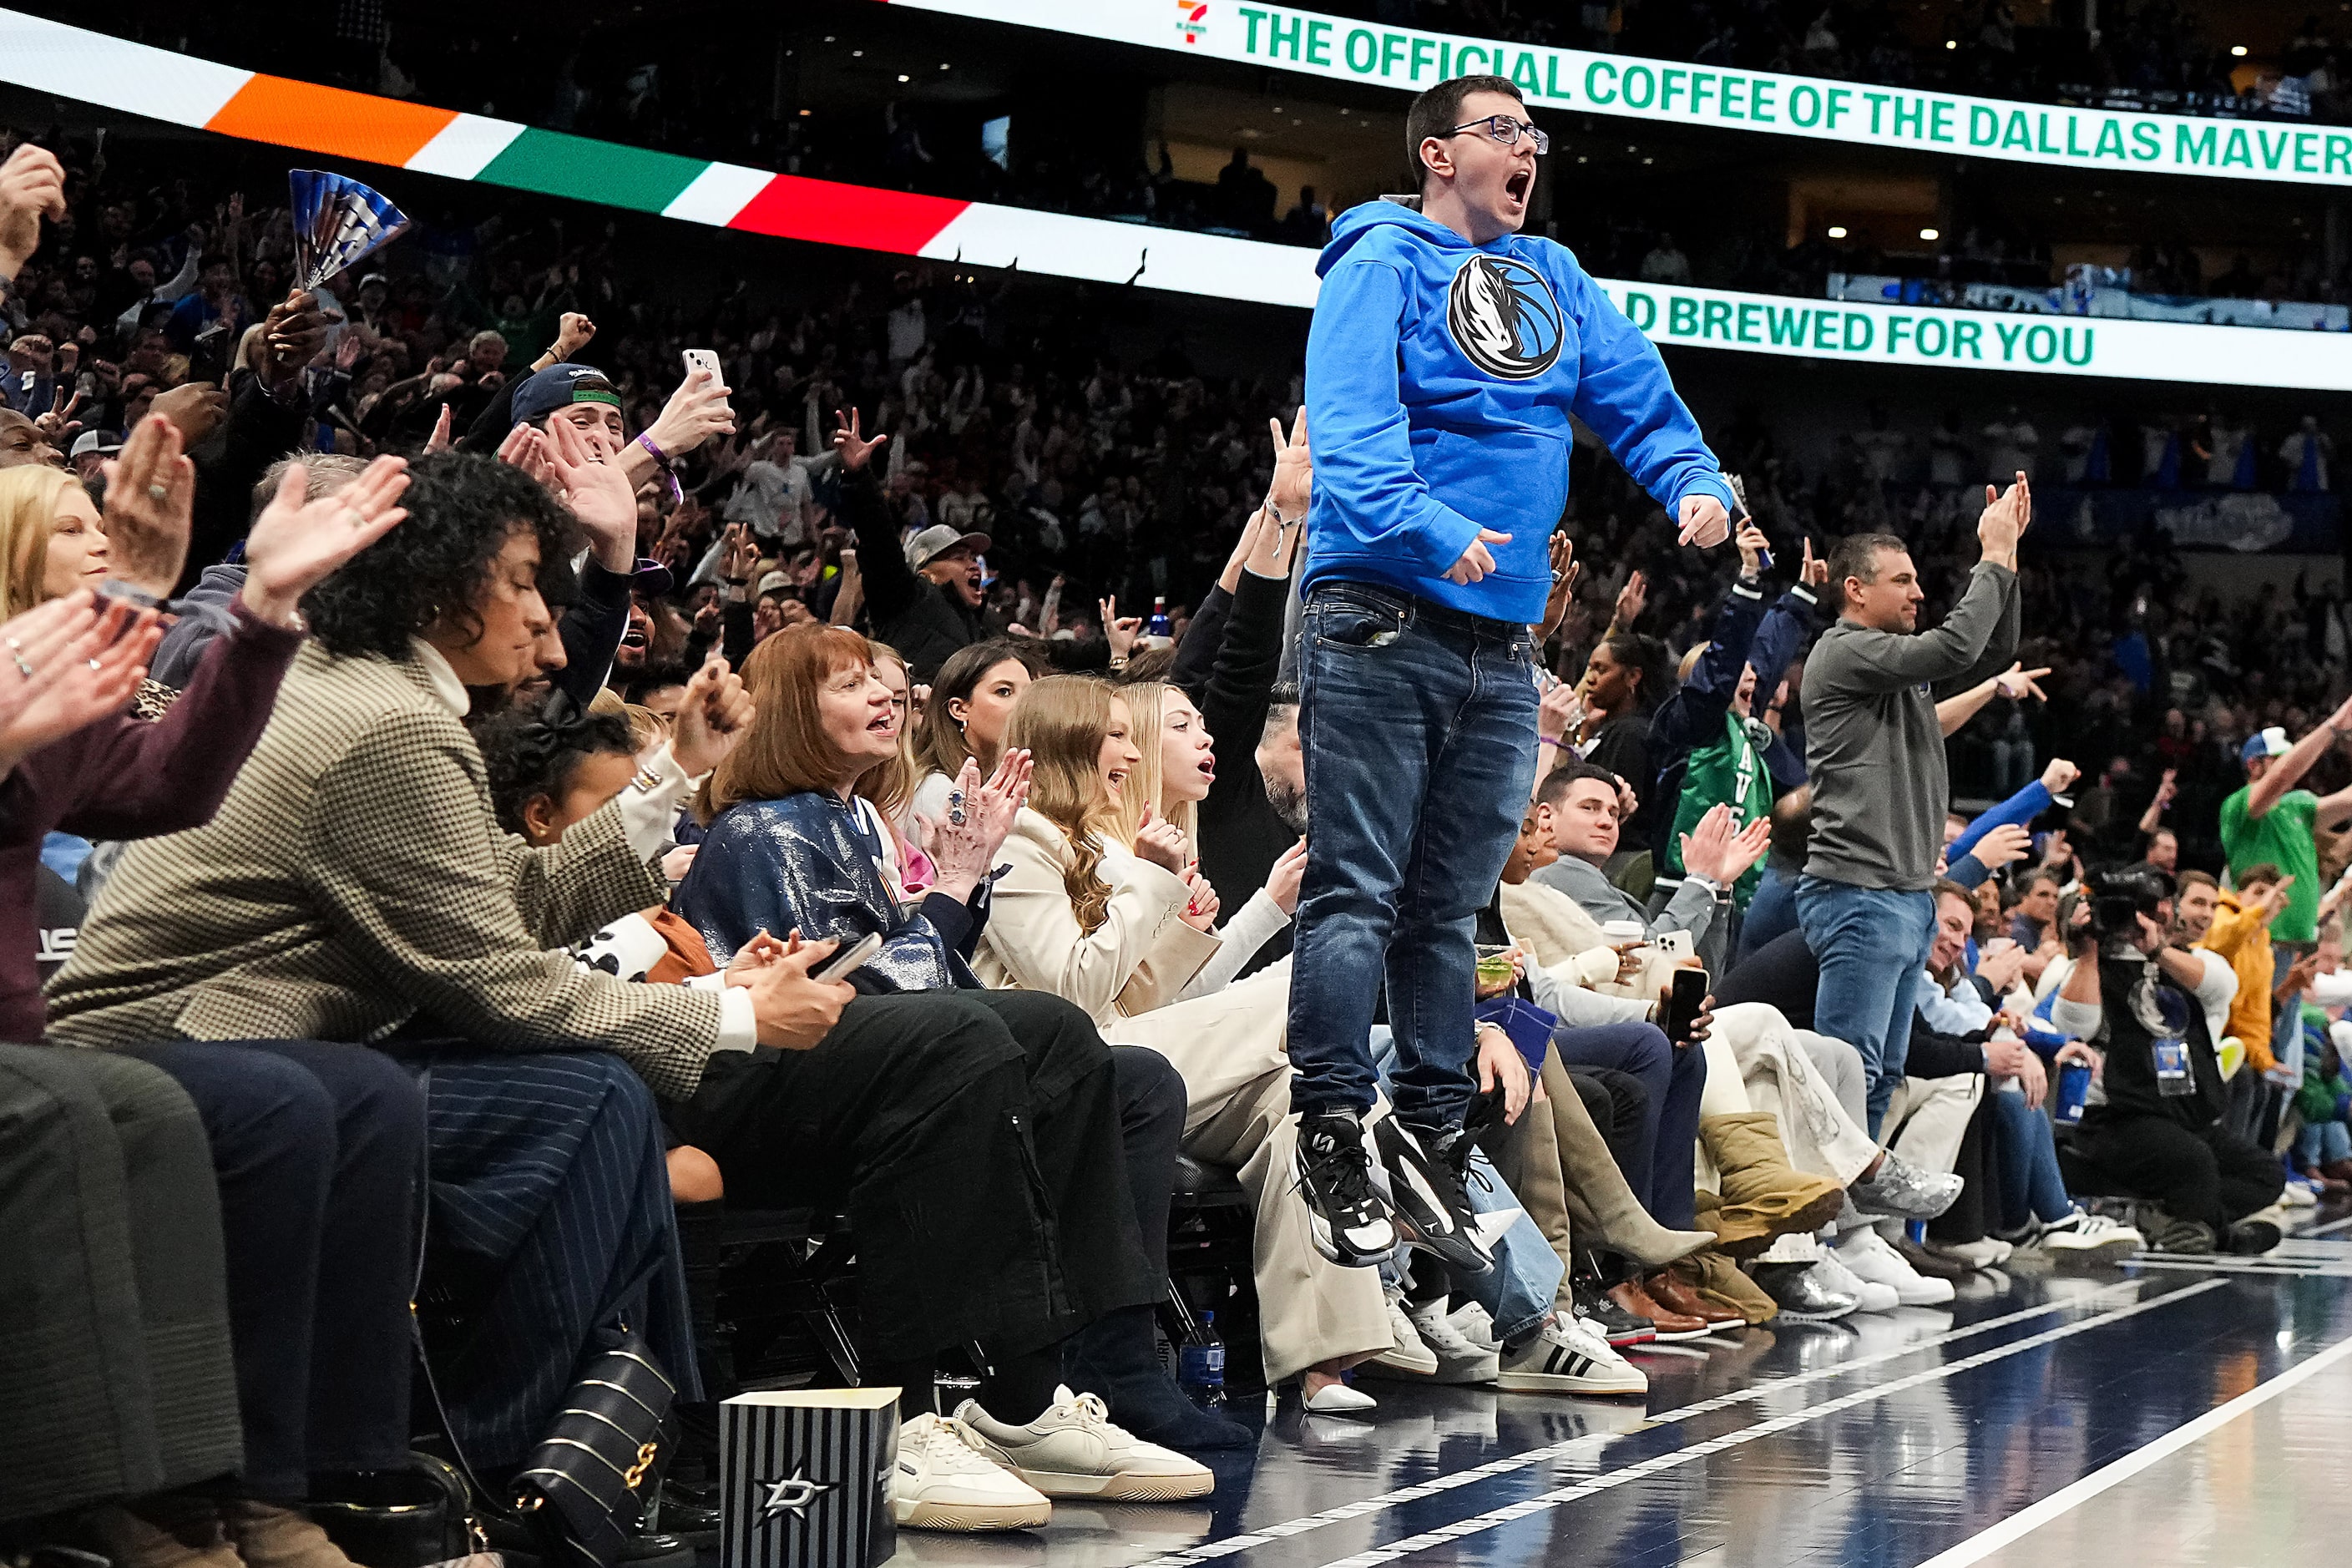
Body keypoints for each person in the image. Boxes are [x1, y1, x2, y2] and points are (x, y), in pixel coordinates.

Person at [43, 448, 825, 1495]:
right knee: (589, 1102)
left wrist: (672, 773)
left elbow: (507, 895)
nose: (540, 614)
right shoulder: (388, 726)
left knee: (596, 1096)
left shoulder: (369, 690)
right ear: (441, 587)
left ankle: (607, 1455)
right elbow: (500, 981)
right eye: (516, 580)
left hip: (260, 1040)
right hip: (181, 1043)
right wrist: (729, 1013)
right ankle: (511, 1454)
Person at [1291, 71, 1732, 1269]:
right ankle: (1328, 1120)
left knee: (1444, 907)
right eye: (1499, 131)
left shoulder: (1557, 278)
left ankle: (1432, 1133)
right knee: (1357, 889)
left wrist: (1695, 481)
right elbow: (1352, 431)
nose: (1525, 149)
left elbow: (1638, 399)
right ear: (1437, 155)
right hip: (1380, 610)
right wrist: (1439, 532)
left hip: (1498, 641)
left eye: (1533, 135)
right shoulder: (1377, 259)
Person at [670, 625, 1234, 1479]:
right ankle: (918, 1408)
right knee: (984, 1033)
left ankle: (1055, 1386)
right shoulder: (761, 830)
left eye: (884, 680)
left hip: (880, 1070)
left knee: (1077, 1043)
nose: (886, 696)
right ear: (788, 711)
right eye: (851, 684)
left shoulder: (854, 821)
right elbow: (846, 998)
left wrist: (958, 879)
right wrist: (952, 894)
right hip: (763, 1091)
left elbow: (910, 983)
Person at [971, 673, 1401, 1412]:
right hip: (1053, 1075)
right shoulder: (1018, 840)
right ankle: (1410, 1176)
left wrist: (1177, 922)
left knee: (1296, 1099)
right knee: (1305, 996)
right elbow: (1071, 997)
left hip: (1132, 1059)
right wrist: (1150, 884)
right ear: (1069, 743)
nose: (1130, 754)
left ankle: (1323, 1357)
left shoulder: (1096, 847)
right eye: (1114, 736)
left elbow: (1141, 998)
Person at [1797, 484, 2027, 1134]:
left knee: (1883, 1076)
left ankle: (1850, 1230)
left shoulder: (1891, 671)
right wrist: (1992, 550)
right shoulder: (1845, 651)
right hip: (1859, 893)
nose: (1918, 593)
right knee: (1847, 1072)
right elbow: (1957, 648)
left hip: (1903, 893)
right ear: (1854, 590)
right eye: (1901, 581)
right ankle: (1812, 1227)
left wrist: (2006, 561)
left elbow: (1986, 647)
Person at [2056, 868, 2285, 1255]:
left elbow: (2222, 986)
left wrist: (2156, 951)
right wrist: (2089, 951)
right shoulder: (2083, 970)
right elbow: (2075, 1022)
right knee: (2193, 1161)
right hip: (2120, 1119)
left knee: (2265, 1173)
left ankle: (2167, 1218)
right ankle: (2216, 1233)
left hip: (2185, 1114)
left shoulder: (2197, 964)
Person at [909, 636, 1044, 827]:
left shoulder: (998, 782)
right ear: (960, 709)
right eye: (1004, 692)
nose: (1024, 706)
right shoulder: (940, 791)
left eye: (1028, 694)